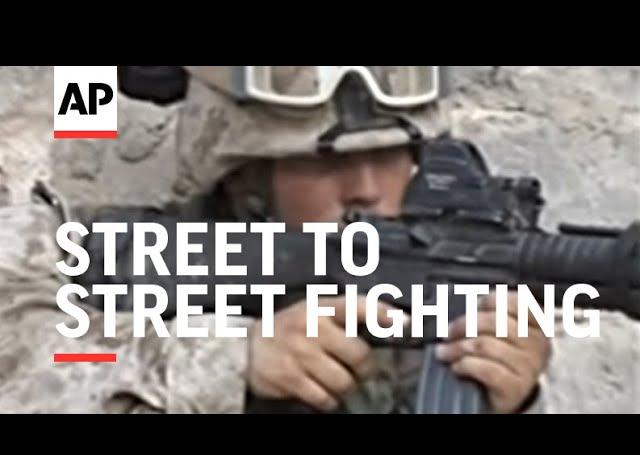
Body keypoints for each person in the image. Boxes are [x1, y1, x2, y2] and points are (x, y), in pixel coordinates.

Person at [0, 66, 551, 413]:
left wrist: (515, 398)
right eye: (323, 161)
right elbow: (35, 362)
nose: (366, 190)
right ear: (248, 182)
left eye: (389, 157)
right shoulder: (85, 238)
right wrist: (235, 359)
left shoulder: (439, 278)